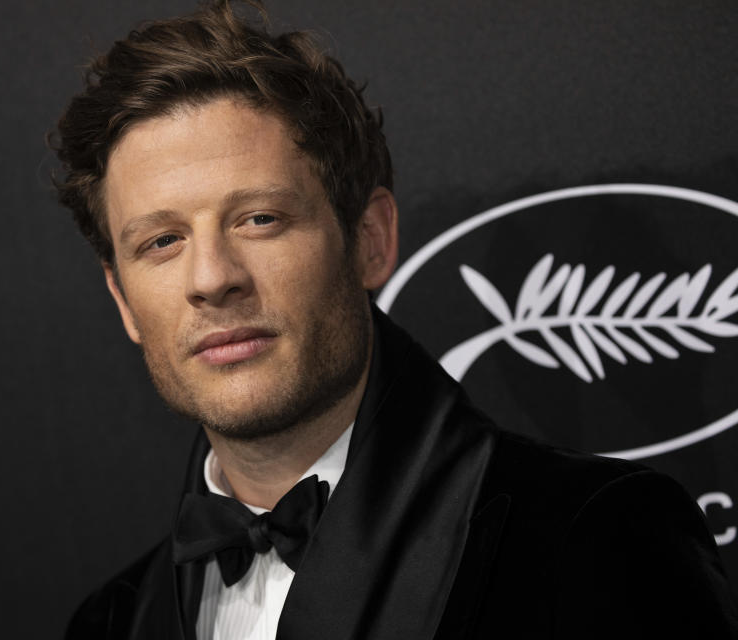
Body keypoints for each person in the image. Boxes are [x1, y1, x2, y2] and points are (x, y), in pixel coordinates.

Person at [50, 1, 738, 638]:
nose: (212, 278)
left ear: (371, 240)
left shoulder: (598, 541)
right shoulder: (106, 624)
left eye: (260, 218)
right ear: (123, 299)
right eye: (161, 242)